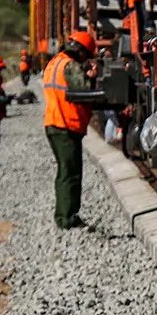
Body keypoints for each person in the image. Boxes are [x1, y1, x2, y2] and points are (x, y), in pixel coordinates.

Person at [42, 30, 95, 230]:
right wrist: (91, 77)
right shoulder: (70, 66)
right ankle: (67, 218)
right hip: (66, 124)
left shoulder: (54, 62)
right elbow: (84, 91)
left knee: (65, 171)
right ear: (81, 51)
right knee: (70, 173)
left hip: (54, 123)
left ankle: (65, 215)